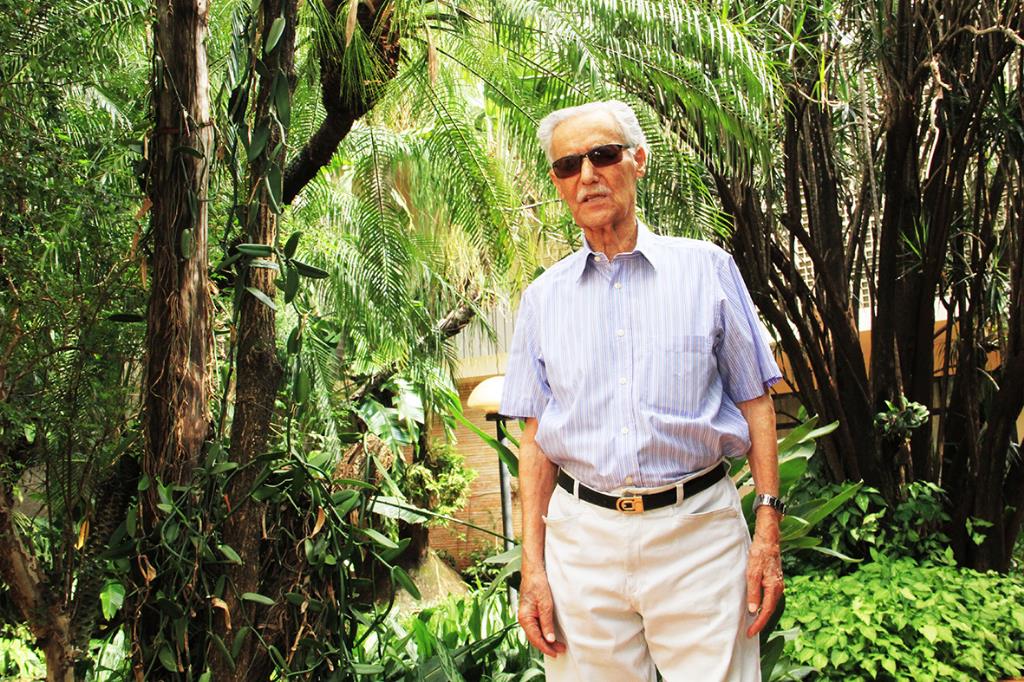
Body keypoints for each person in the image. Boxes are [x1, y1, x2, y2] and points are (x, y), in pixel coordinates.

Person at [499, 100, 785, 681]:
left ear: (638, 161)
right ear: (558, 183)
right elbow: (535, 439)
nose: (587, 175)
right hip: (583, 542)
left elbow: (756, 402)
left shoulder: (706, 270)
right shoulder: (543, 299)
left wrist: (767, 529)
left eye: (603, 155)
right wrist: (533, 567)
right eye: (568, 165)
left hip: (698, 534)